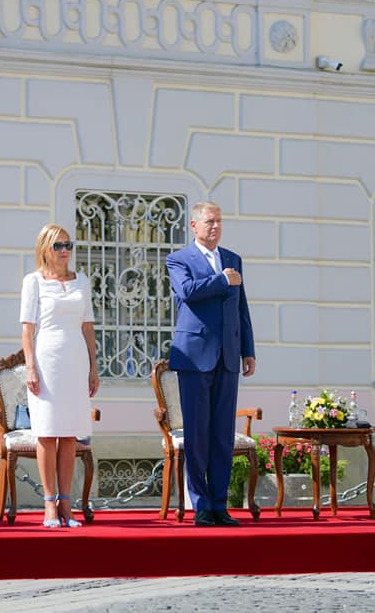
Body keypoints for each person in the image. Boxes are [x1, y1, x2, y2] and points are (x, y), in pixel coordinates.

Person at [166, 201, 256, 527]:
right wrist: (221, 281)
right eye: (209, 221)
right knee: (197, 434)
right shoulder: (179, 259)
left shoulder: (232, 259)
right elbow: (187, 291)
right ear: (194, 225)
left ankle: (219, 504)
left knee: (221, 435)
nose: (215, 226)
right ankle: (201, 505)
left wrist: (248, 350)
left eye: (218, 221)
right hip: (194, 357)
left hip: (228, 356)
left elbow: (241, 308)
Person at [20, 224, 100, 528]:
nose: (64, 251)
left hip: (76, 360)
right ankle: (49, 504)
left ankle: (66, 504)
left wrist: (93, 367)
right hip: (47, 360)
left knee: (69, 433)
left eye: (68, 245)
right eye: (58, 245)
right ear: (45, 248)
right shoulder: (34, 282)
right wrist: (30, 366)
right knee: (47, 431)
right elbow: (27, 329)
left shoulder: (82, 281)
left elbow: (88, 326)